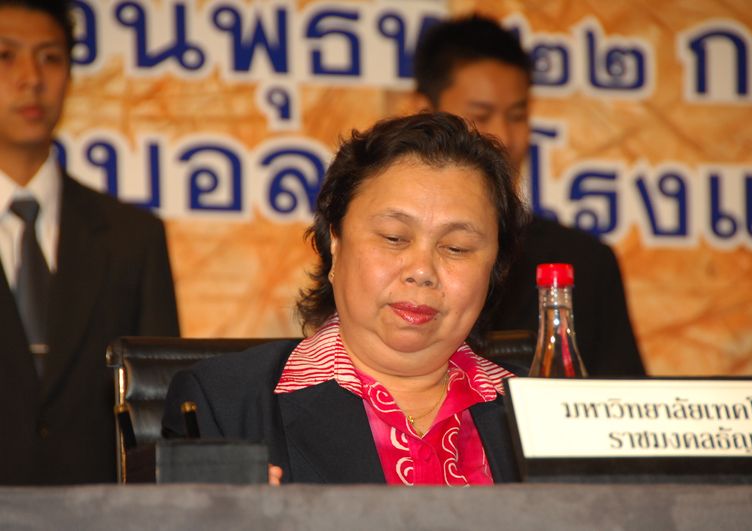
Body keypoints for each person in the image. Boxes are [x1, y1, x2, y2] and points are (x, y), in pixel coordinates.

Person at [163, 112, 525, 485]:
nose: (422, 271)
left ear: (494, 268)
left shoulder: (546, 411)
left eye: (456, 247)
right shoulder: (225, 404)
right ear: (335, 242)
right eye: (394, 238)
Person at [0, 0, 180, 484]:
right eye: (6, 56)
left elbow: (159, 406)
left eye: (50, 57)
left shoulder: (132, 236)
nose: (31, 78)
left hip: (98, 508)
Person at [412, 15, 645, 376]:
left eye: (517, 116)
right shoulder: (397, 261)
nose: (504, 137)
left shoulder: (585, 262)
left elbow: (620, 401)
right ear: (424, 112)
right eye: (481, 115)